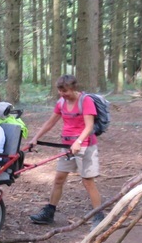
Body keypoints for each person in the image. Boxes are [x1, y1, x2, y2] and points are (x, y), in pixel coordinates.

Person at [27, 75, 104, 229]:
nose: (63, 94)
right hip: (67, 145)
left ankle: (99, 217)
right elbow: (50, 122)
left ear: (73, 88)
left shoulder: (85, 101)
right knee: (59, 179)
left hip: (85, 146)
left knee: (88, 181)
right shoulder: (61, 102)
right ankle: (49, 212)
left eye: (66, 91)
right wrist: (35, 137)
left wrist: (79, 141)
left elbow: (89, 126)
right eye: (60, 91)